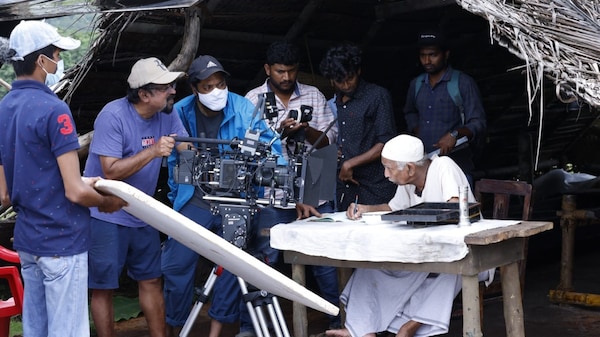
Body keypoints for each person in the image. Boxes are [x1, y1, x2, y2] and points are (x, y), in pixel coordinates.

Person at [0, 20, 126, 337]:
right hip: (62, 242)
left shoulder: (4, 108)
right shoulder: (54, 109)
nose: (59, 61)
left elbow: (3, 194)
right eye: (56, 53)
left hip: (28, 241)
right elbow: (74, 190)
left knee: (37, 330)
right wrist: (108, 202)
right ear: (42, 61)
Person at [161, 55, 286, 337]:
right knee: (175, 264)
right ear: (194, 89)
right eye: (207, 87)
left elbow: (274, 153)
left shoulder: (244, 109)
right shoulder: (178, 113)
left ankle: (216, 330)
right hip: (195, 197)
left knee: (232, 265)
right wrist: (175, 196)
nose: (216, 91)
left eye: (220, 84)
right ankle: (176, 326)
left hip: (237, 199)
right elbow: (171, 162)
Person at [326, 134, 475, 337]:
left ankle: (408, 328)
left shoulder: (443, 166)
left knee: (450, 273)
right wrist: (365, 208)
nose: (386, 174)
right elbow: (392, 208)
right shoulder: (409, 183)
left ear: (410, 168)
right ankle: (361, 330)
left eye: (389, 168)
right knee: (369, 269)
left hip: (465, 253)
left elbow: (453, 206)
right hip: (425, 254)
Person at [84, 57, 188, 337]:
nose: (173, 91)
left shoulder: (167, 113)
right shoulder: (113, 115)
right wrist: (154, 151)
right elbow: (110, 170)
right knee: (104, 286)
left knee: (152, 279)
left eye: (172, 85)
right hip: (106, 212)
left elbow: (186, 145)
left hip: (144, 212)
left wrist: (192, 149)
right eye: (166, 87)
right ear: (144, 94)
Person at [244, 40, 341, 332]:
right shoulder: (252, 100)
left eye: (291, 71)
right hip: (270, 192)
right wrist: (278, 133)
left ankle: (339, 318)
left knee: (324, 260)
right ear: (267, 69)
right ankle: (253, 325)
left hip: (313, 186)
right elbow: (247, 149)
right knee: (264, 261)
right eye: (280, 71)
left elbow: (330, 140)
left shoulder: (313, 95)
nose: (286, 77)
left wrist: (305, 129)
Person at [319, 43, 397, 212]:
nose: (347, 85)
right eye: (340, 81)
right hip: (346, 185)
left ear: (358, 71)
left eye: (350, 78)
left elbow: (385, 141)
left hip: (376, 184)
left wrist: (350, 163)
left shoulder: (377, 96)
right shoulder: (336, 102)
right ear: (332, 80)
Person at [403, 30, 486, 186]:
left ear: (446, 54)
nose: (427, 60)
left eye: (433, 55)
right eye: (423, 55)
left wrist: (454, 135)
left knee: (458, 209)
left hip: (457, 168)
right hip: (424, 170)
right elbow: (410, 111)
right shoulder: (416, 84)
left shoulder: (462, 83)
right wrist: (416, 129)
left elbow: (478, 122)